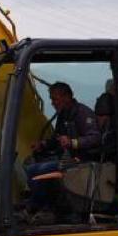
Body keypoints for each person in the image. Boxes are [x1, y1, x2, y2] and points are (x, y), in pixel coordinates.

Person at [22, 82, 100, 218]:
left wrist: (73, 142)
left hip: (82, 161)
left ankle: (40, 208)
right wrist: (43, 144)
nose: (52, 103)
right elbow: (56, 138)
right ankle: (45, 205)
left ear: (67, 97)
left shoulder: (82, 113)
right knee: (31, 168)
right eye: (51, 99)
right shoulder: (63, 115)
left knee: (39, 171)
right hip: (68, 159)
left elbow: (95, 138)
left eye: (55, 99)